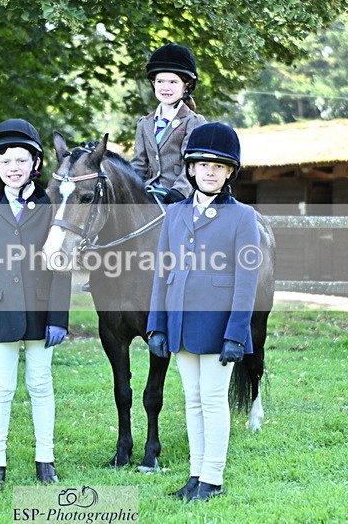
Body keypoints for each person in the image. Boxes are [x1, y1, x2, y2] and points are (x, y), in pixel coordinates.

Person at [146, 122, 260, 500]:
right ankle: (195, 473)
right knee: (192, 400)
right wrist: (157, 326)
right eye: (202, 165)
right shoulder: (175, 214)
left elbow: (247, 282)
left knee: (213, 400)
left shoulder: (242, 217)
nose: (209, 171)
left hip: (218, 326)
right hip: (179, 322)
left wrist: (236, 335)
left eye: (218, 166)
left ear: (229, 172)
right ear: (191, 169)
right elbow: (163, 273)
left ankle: (213, 477)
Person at [0, 119, 71, 493]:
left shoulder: (51, 205)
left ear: (35, 165)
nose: (14, 168)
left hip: (42, 311)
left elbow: (62, 263)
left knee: (41, 384)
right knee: (1, 387)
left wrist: (59, 317)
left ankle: (45, 460)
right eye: (6, 161)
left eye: (21, 161)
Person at [131, 43, 207, 204]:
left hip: (180, 196)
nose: (165, 87)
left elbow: (193, 163)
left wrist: (179, 190)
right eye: (160, 82)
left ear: (186, 85)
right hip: (149, 195)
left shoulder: (193, 122)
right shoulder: (144, 124)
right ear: (153, 83)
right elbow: (139, 165)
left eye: (173, 82)